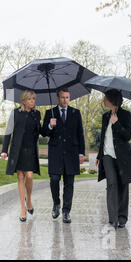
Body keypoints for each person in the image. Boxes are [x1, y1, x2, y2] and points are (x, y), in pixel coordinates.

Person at [95, 89, 131, 229]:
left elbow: (128, 136)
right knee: (112, 184)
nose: (104, 100)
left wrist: (117, 124)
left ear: (112, 100)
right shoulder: (105, 116)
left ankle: (122, 217)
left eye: (106, 98)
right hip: (107, 155)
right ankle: (112, 218)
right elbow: (103, 137)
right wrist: (99, 155)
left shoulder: (126, 115)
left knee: (123, 185)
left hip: (122, 156)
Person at [41, 87, 85, 224]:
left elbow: (80, 134)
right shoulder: (50, 113)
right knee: (54, 179)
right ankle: (56, 204)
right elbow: (43, 133)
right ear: (57, 98)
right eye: (62, 97)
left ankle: (66, 211)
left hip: (71, 153)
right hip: (56, 153)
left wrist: (81, 152)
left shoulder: (76, 113)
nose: (65, 100)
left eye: (67, 97)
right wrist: (50, 125)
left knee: (69, 183)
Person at [1, 90, 43, 222]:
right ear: (24, 100)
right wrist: (4, 150)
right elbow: (8, 132)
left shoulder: (36, 114)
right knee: (20, 176)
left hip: (30, 149)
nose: (33, 102)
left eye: (34, 99)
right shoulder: (15, 113)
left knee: (29, 175)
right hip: (17, 150)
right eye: (30, 99)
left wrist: (50, 126)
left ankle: (29, 200)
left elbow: (40, 131)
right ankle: (22, 209)